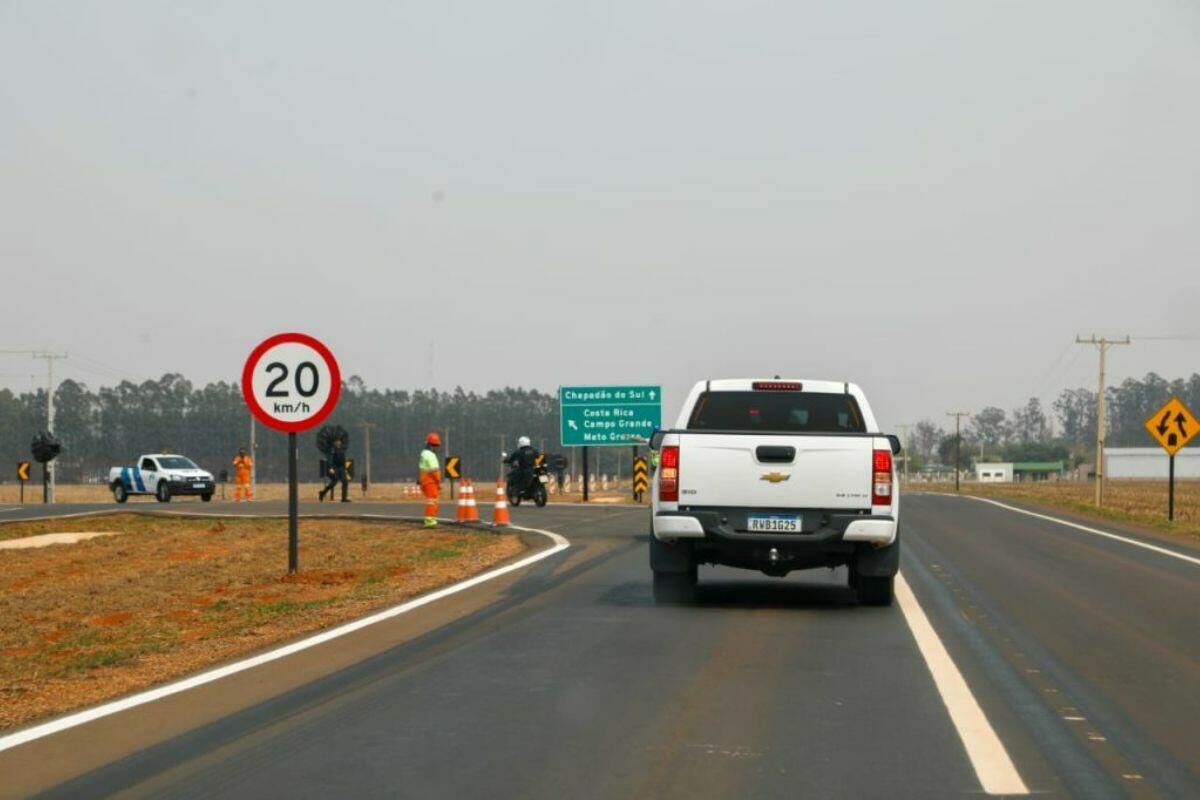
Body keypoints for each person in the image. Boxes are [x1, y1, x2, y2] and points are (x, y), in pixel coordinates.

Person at [419, 433, 442, 526]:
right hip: (430, 481)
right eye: (436, 445)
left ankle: (431, 519)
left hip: (425, 480)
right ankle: (430, 520)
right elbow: (434, 470)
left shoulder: (423, 453)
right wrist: (438, 482)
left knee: (431, 500)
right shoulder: (431, 455)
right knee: (432, 501)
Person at [319, 437, 350, 503]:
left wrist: (345, 468)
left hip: (341, 468)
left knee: (345, 482)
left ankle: (344, 498)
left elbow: (343, 459)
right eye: (337, 441)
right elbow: (330, 459)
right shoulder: (332, 449)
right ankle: (323, 493)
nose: (339, 442)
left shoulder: (341, 449)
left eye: (339, 441)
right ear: (334, 442)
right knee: (334, 482)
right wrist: (330, 468)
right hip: (335, 467)